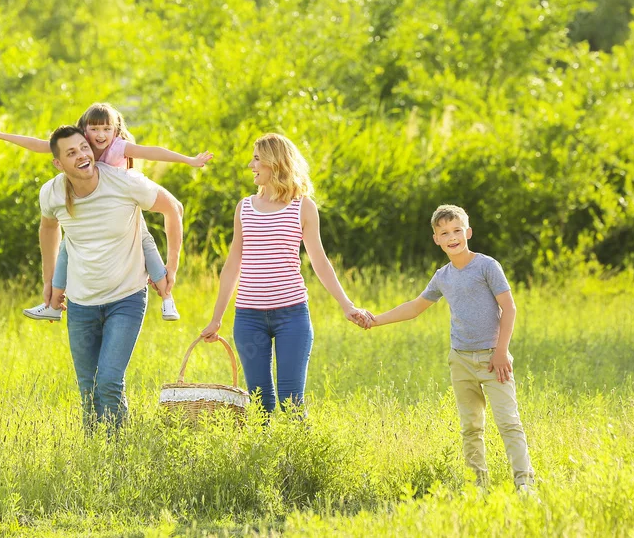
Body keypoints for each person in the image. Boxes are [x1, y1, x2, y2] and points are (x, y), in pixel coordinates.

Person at [0, 102, 211, 321]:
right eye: (94, 129)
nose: (100, 135)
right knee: (66, 248)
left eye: (106, 129)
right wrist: (3, 136)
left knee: (146, 244)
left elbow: (152, 152)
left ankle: (167, 298)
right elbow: (40, 144)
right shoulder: (81, 144)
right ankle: (53, 305)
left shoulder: (118, 146)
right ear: (84, 129)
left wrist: (188, 160)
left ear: (115, 130)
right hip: (94, 205)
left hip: (122, 202)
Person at [363, 204, 535, 491]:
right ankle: (477, 487)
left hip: (494, 359)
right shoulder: (442, 276)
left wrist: (501, 351)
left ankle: (525, 485)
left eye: (457, 230)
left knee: (508, 423)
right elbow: (415, 307)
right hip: (460, 360)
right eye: (444, 233)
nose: (452, 237)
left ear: (468, 232)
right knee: (471, 427)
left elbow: (509, 307)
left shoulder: (487, 266)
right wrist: (375, 320)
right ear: (436, 239)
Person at [199, 133, 370, 414]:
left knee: (291, 403)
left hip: (292, 316)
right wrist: (216, 319)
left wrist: (347, 305)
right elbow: (232, 266)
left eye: (257, 159)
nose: (251, 165)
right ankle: (263, 445)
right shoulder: (244, 208)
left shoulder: (303, 207)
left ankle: (298, 445)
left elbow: (320, 261)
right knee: (260, 405)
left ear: (275, 163)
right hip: (249, 318)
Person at [39, 125, 183, 430]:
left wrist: (172, 266)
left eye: (84, 147)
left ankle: (118, 451)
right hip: (81, 304)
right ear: (58, 163)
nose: (82, 155)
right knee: (88, 389)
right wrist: (49, 280)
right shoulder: (52, 192)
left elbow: (173, 208)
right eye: (71, 152)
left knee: (108, 381)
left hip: (126, 298)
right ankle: (94, 452)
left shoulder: (124, 181)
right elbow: (48, 227)